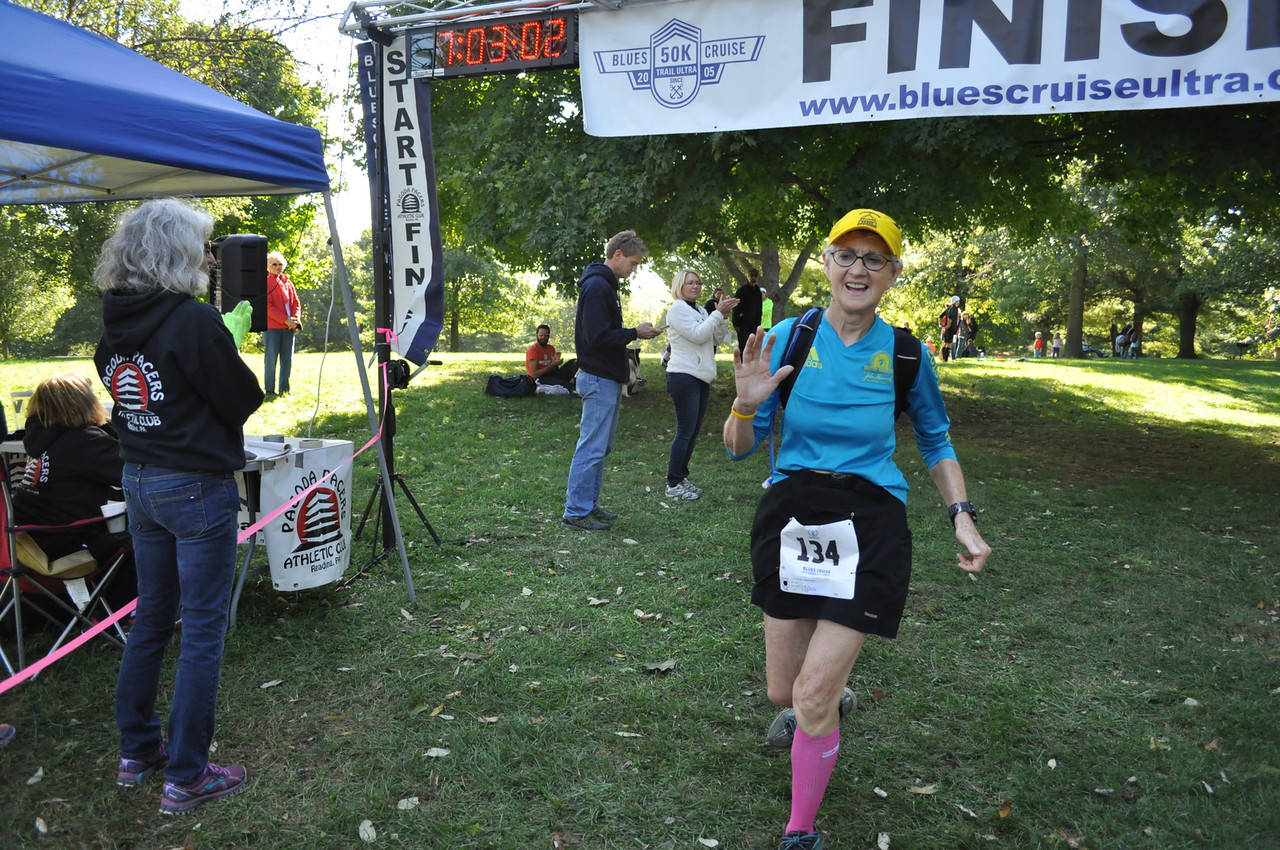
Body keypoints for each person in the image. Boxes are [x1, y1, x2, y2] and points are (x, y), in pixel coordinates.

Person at [723, 208, 990, 850]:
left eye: (874, 259)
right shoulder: (789, 338)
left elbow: (936, 440)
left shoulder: (906, 352)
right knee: (784, 691)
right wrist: (744, 406)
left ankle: (801, 829)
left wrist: (962, 516)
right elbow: (738, 448)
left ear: (892, 273)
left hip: (871, 520)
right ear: (827, 263)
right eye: (846, 255)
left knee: (811, 695)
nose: (858, 269)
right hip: (792, 512)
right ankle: (823, 703)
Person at [94, 198, 264, 815]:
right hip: (192, 486)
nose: (210, 258)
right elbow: (242, 400)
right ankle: (188, 773)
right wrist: (227, 344)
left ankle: (138, 749)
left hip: (139, 480)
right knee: (201, 629)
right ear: (175, 253)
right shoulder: (192, 320)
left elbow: (123, 390)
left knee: (153, 618)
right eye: (202, 247)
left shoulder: (115, 319)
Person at [562, 230, 663, 532]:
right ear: (617, 254)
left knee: (600, 447)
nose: (634, 269)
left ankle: (588, 505)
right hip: (598, 377)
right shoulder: (597, 286)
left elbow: (602, 332)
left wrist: (632, 333)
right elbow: (597, 336)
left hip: (605, 376)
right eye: (633, 263)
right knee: (591, 447)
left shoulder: (605, 284)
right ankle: (575, 512)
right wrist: (634, 332)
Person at [11, 373, 124, 564]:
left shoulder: (42, 438)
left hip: (26, 543)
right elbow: (136, 472)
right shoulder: (84, 440)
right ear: (84, 403)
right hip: (65, 544)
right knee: (147, 532)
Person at [663, 270, 737, 501]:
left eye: (698, 283)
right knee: (685, 431)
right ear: (680, 286)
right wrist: (717, 313)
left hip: (701, 376)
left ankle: (681, 476)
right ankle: (673, 483)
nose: (696, 286)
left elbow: (715, 338)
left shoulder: (701, 310)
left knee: (693, 432)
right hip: (683, 376)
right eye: (690, 283)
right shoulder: (677, 309)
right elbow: (697, 335)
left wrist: (723, 317)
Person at [264, 250, 301, 396]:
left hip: (289, 327)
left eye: (280, 264)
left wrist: (295, 320)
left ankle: (284, 389)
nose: (277, 267)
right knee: (271, 360)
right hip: (272, 327)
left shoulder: (288, 282)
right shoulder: (266, 282)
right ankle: (269, 390)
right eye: (274, 264)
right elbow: (267, 306)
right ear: (268, 266)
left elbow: (296, 303)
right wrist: (285, 319)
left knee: (287, 360)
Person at [526, 324, 578, 389]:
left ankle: (579, 383)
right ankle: (574, 389)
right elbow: (534, 374)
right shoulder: (532, 350)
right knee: (564, 384)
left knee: (574, 362)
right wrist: (552, 365)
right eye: (541, 334)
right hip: (539, 379)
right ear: (536, 335)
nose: (543, 337)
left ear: (548, 336)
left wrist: (556, 363)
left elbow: (554, 369)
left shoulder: (551, 348)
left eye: (546, 335)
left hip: (552, 375)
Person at [732, 268, 764, 353]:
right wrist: (736, 323)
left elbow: (759, 308)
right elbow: (736, 307)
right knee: (744, 344)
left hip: (754, 323)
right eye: (752, 275)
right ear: (748, 276)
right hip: (743, 323)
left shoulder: (758, 291)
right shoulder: (742, 290)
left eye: (755, 276)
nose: (753, 278)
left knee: (753, 344)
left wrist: (758, 323)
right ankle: (741, 360)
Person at [939, 295, 961, 361]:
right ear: (956, 301)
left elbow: (941, 316)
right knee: (950, 344)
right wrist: (949, 324)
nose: (959, 302)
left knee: (946, 343)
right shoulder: (954, 308)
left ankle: (944, 358)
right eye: (958, 301)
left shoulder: (949, 308)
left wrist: (941, 324)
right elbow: (950, 317)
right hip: (952, 328)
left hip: (947, 329)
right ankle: (945, 358)